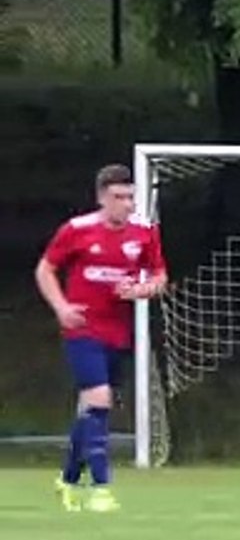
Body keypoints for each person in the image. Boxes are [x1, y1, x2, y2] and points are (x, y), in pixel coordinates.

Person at [39, 164, 168, 513]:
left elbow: (159, 277)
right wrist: (62, 307)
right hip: (81, 328)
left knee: (91, 409)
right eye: (118, 197)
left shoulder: (144, 233)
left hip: (117, 331)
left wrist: (140, 289)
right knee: (99, 401)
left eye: (130, 197)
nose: (126, 204)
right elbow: (45, 269)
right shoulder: (77, 230)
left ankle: (66, 480)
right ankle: (100, 489)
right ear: (101, 198)